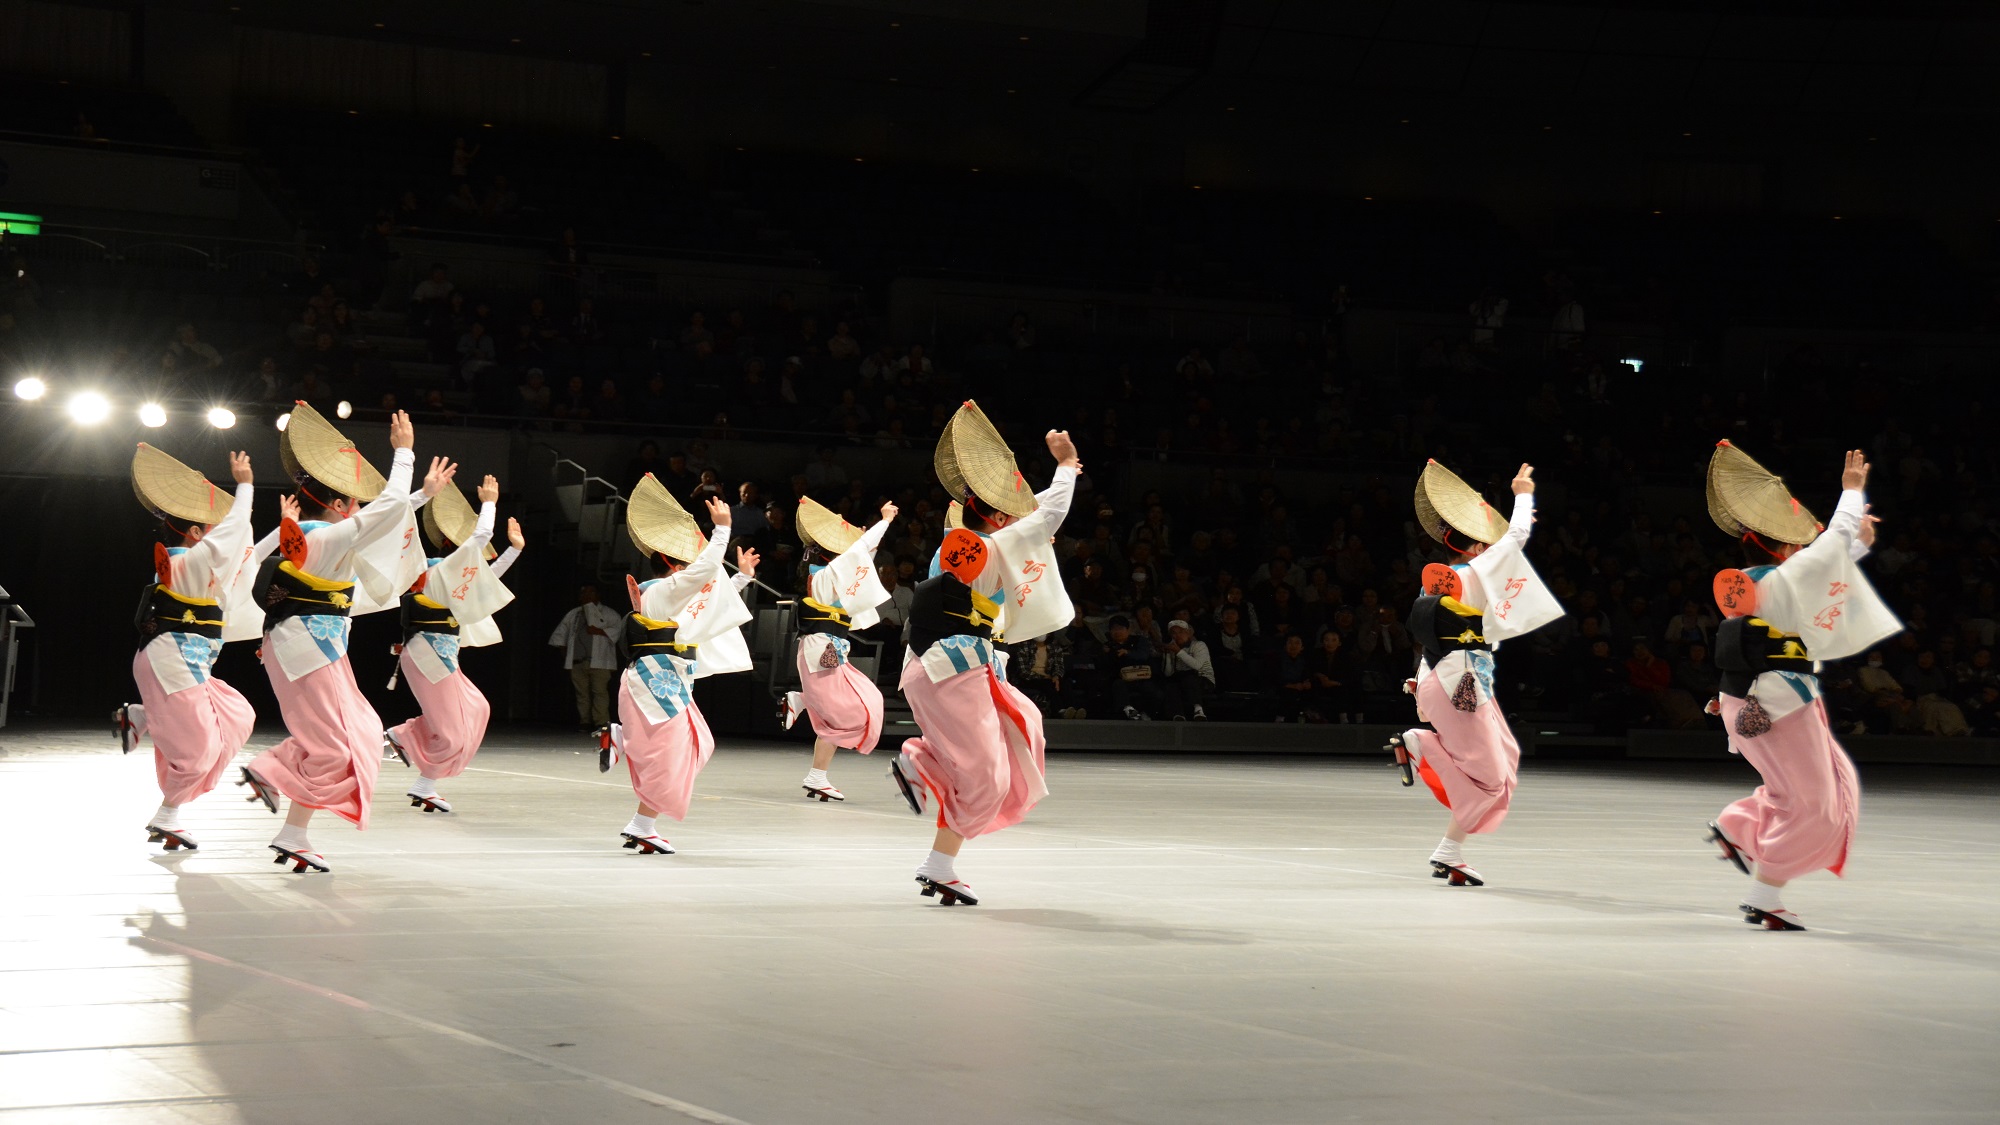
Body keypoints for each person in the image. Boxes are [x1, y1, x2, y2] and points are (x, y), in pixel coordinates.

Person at [239, 404, 448, 872]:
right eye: (353, 502)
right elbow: (385, 512)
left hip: (301, 646)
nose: (358, 509)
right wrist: (404, 456)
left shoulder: (305, 538)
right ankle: (279, 793)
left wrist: (419, 496)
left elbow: (382, 516)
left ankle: (289, 819)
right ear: (337, 506)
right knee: (339, 746)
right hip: (312, 650)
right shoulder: (327, 538)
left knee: (359, 733)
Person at [887, 403, 1079, 905]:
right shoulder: (981, 547)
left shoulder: (967, 541)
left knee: (1020, 732)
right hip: (950, 671)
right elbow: (1046, 516)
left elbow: (1029, 525)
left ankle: (940, 863)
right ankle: (918, 759)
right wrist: (1064, 465)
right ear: (995, 516)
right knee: (987, 777)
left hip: (948, 669)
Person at [1703, 444, 1899, 931]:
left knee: (1820, 786)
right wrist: (1851, 494)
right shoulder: (1784, 580)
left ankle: (1736, 826)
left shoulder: (1752, 580)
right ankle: (1766, 892)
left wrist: (1859, 541)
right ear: (1787, 546)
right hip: (1779, 705)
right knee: (1819, 806)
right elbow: (1828, 551)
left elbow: (1820, 569)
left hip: (1746, 700)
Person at [1391, 460, 1563, 886]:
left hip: (1439, 679)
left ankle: (1451, 850)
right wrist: (1523, 492)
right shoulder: (1482, 569)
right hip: (1461, 684)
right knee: (1490, 779)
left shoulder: (1437, 583)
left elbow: (1430, 639)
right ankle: (1422, 746)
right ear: (1474, 548)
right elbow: (1517, 536)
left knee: (1506, 761)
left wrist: (1418, 685)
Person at [114, 446, 262, 852]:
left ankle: (142, 716)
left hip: (184, 665)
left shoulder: (194, 563)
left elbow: (244, 556)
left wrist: (282, 530)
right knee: (199, 753)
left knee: (237, 717)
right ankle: (167, 814)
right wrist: (245, 487)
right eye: (210, 528)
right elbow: (233, 535)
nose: (218, 533)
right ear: (196, 534)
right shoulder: (188, 562)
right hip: (170, 663)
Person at [598, 479, 756, 854]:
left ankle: (625, 748)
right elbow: (702, 577)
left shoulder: (666, 594)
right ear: (674, 563)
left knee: (700, 744)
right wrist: (721, 530)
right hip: (655, 685)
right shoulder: (660, 591)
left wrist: (743, 577)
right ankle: (642, 821)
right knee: (671, 758)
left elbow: (706, 603)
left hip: (663, 683)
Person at [382, 476, 524, 814]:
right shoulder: (433, 570)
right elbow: (481, 537)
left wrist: (515, 550)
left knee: (477, 708)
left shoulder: (449, 573)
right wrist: (489, 502)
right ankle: (406, 745)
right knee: (451, 732)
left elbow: (488, 576)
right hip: (428, 655)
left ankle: (417, 767)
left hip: (439, 655)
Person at [779, 499, 898, 800]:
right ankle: (802, 700)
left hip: (828, 648)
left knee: (843, 712)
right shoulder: (827, 573)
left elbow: (860, 563)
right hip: (823, 648)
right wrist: (883, 521)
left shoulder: (827, 571)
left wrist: (863, 545)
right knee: (848, 711)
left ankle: (817, 775)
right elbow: (858, 555)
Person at [547, 585, 621, 731]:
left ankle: (601, 722)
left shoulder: (609, 613)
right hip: (577, 660)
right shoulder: (574, 614)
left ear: (598, 595)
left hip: (600, 661)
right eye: (584, 593)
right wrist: (564, 652)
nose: (587, 595)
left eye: (591, 592)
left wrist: (599, 631)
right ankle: (585, 721)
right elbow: (561, 634)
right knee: (582, 693)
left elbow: (617, 632)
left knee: (599, 692)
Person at [1161, 618, 1213, 720]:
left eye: (1181, 632)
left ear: (1188, 633)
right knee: (1171, 684)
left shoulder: (1199, 645)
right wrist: (1167, 655)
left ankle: (1198, 709)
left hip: (1203, 680)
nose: (1177, 635)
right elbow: (1168, 673)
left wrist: (1179, 651)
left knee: (1188, 676)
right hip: (1182, 682)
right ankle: (1178, 715)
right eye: (1173, 633)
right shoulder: (1173, 649)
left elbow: (1197, 665)